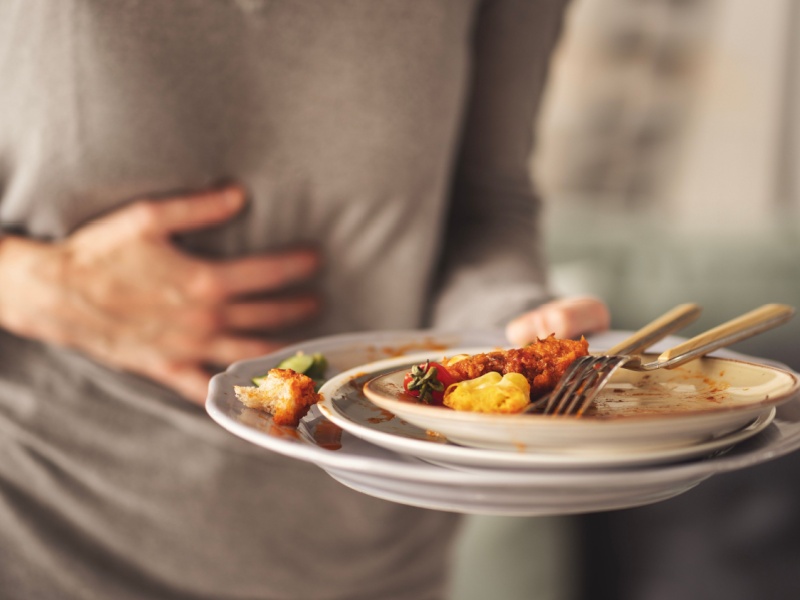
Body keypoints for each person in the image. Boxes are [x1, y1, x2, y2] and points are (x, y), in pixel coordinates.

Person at [0, 2, 609, 598]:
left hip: (359, 551)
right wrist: (29, 281)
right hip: (33, 520)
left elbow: (485, 205)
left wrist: (507, 332)